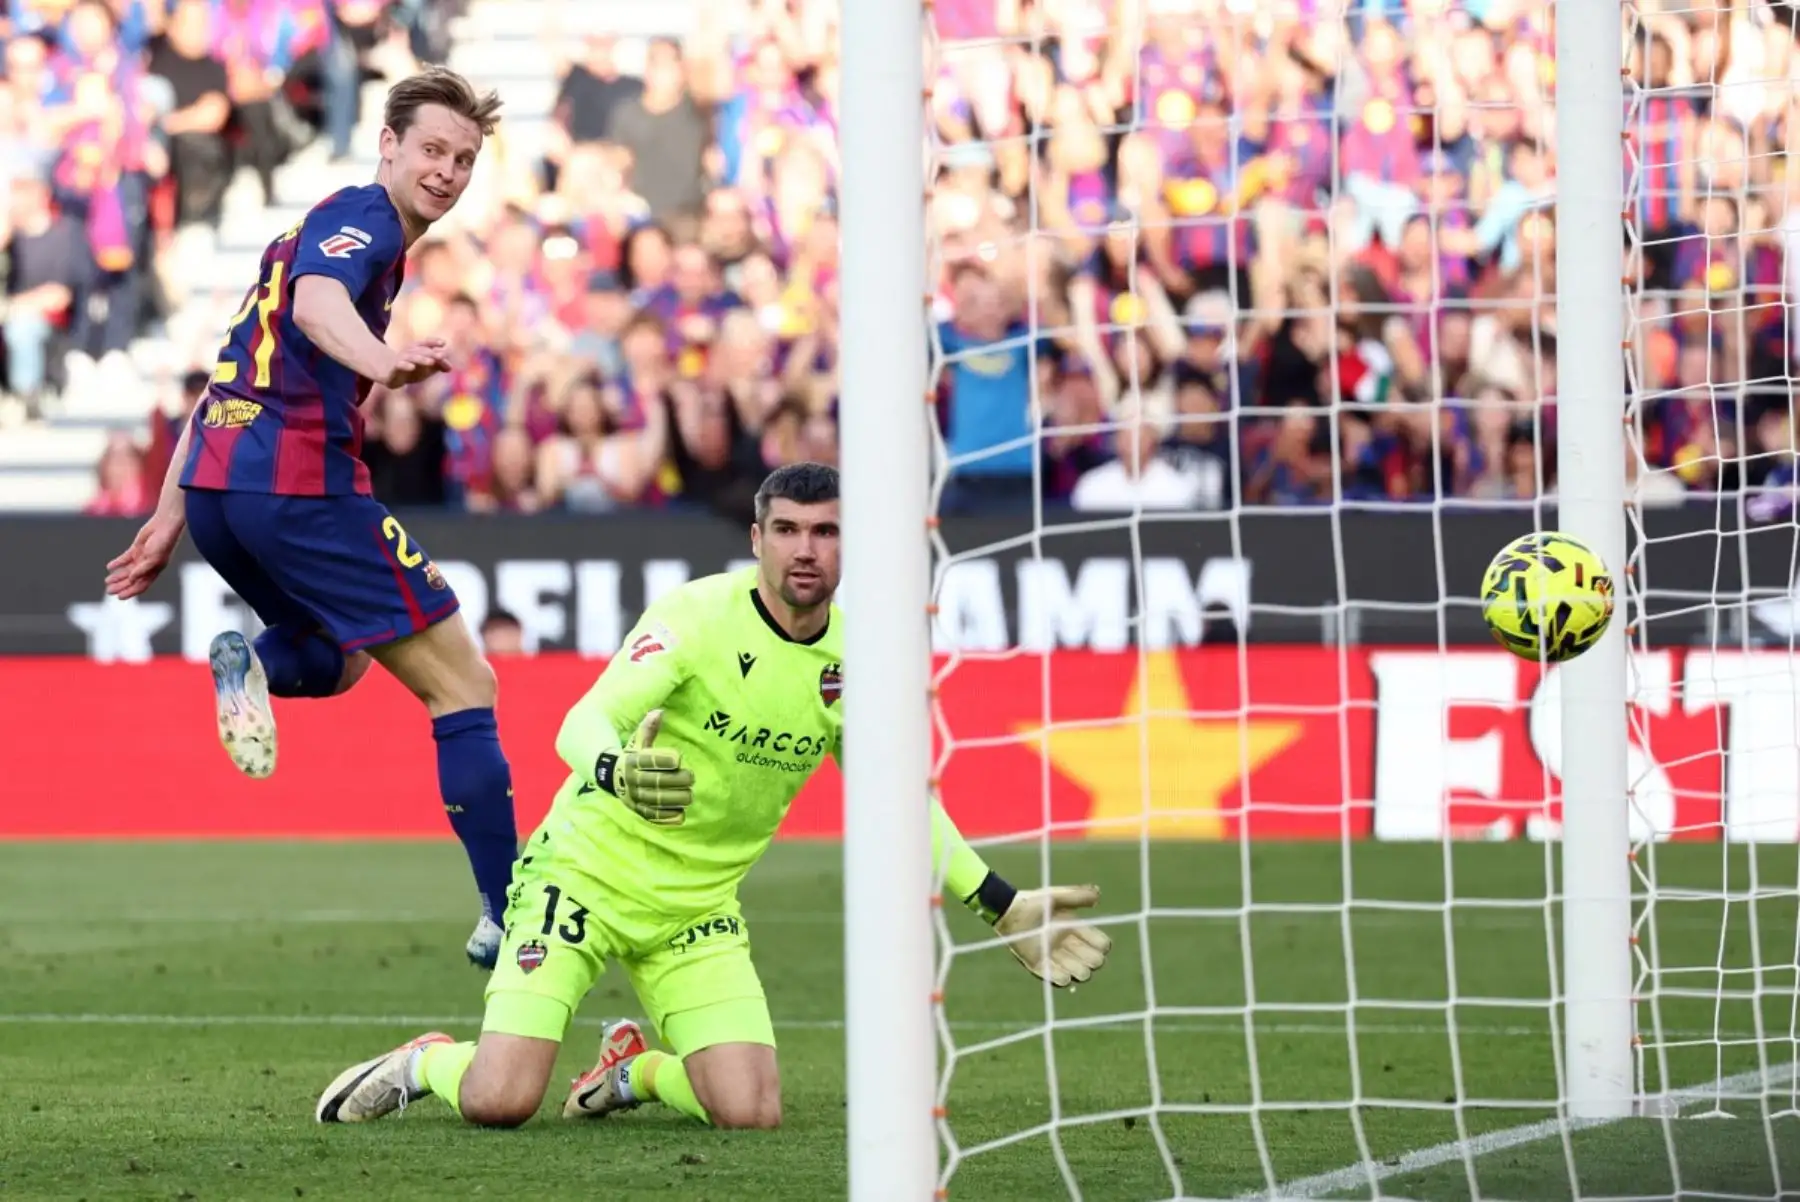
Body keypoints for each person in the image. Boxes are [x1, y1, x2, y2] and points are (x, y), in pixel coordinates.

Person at [313, 462, 1113, 1130]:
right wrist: (615, 770)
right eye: (790, 530)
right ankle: (426, 1062)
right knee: (502, 1100)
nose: (808, 550)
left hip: (697, 909)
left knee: (751, 1113)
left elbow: (895, 795)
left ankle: (632, 1072)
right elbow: (583, 720)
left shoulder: (859, 654)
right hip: (582, 879)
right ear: (758, 539)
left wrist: (999, 903)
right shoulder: (696, 616)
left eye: (827, 532)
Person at [100, 68, 519, 971]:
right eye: (433, 151)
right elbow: (318, 306)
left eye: (465, 159)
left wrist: (173, 518)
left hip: (221, 487)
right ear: (389, 145)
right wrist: (387, 360)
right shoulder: (359, 221)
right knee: (465, 685)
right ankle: (508, 911)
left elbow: (227, 376)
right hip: (299, 488)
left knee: (346, 655)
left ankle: (253, 658)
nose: (447, 172)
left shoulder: (309, 230)